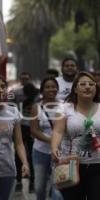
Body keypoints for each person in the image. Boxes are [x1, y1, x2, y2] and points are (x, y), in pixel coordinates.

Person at [51, 71, 100, 200]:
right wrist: (54, 147)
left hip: (98, 165)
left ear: (96, 88)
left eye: (91, 84)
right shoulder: (65, 108)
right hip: (72, 165)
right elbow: (58, 131)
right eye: (83, 84)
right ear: (75, 89)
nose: (88, 87)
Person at [30, 77, 61, 200]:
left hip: (60, 153)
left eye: (53, 86)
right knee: (39, 187)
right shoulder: (36, 108)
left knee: (58, 188)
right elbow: (34, 130)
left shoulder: (64, 106)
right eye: (47, 87)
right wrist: (52, 141)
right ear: (42, 90)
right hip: (40, 152)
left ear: (57, 89)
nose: (51, 89)